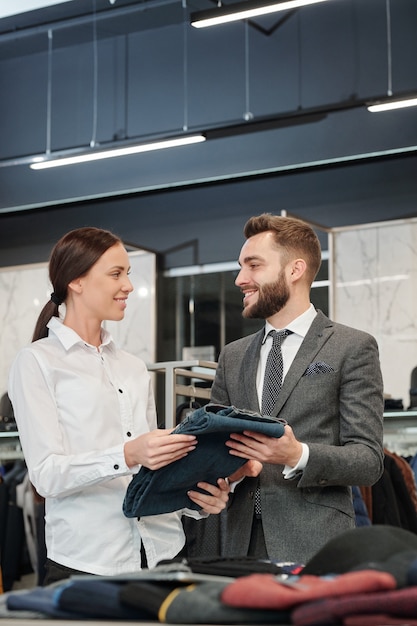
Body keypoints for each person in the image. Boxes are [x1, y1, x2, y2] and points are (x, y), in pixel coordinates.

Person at [8, 226, 232, 585]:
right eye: (116, 274)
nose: (128, 285)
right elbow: (47, 475)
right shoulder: (36, 362)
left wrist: (198, 499)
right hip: (88, 562)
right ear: (76, 281)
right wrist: (127, 454)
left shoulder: (132, 366)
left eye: (127, 273)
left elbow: (150, 471)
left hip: (164, 553)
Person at [210, 213, 385, 564]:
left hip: (313, 543)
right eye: (241, 267)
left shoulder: (351, 347)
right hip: (233, 544)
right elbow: (214, 448)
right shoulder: (232, 356)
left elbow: (368, 460)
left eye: (253, 265)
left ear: (294, 270)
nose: (240, 279)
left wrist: (297, 455)